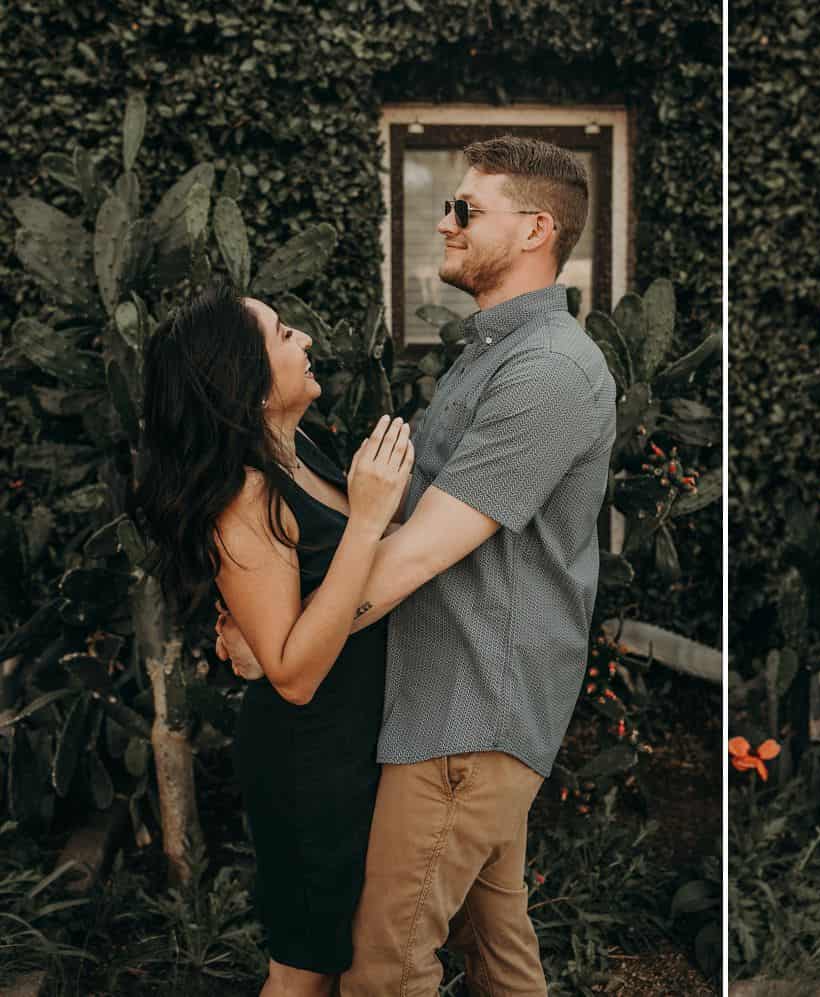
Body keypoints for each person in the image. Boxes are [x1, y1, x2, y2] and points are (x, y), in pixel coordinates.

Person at [219, 134, 617, 995]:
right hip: (446, 704)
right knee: (502, 955)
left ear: (536, 229)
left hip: (463, 714)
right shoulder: (491, 354)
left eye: (466, 209)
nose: (444, 222)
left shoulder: (546, 369)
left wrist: (288, 640)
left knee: (385, 968)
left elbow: (414, 552)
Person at [134, 284, 414, 997]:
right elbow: (292, 673)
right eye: (285, 334)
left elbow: (315, 608)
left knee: (339, 953)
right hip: (307, 763)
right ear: (248, 385)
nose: (306, 340)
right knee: (303, 970)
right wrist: (368, 518)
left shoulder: (301, 452)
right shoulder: (244, 496)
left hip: (353, 746)